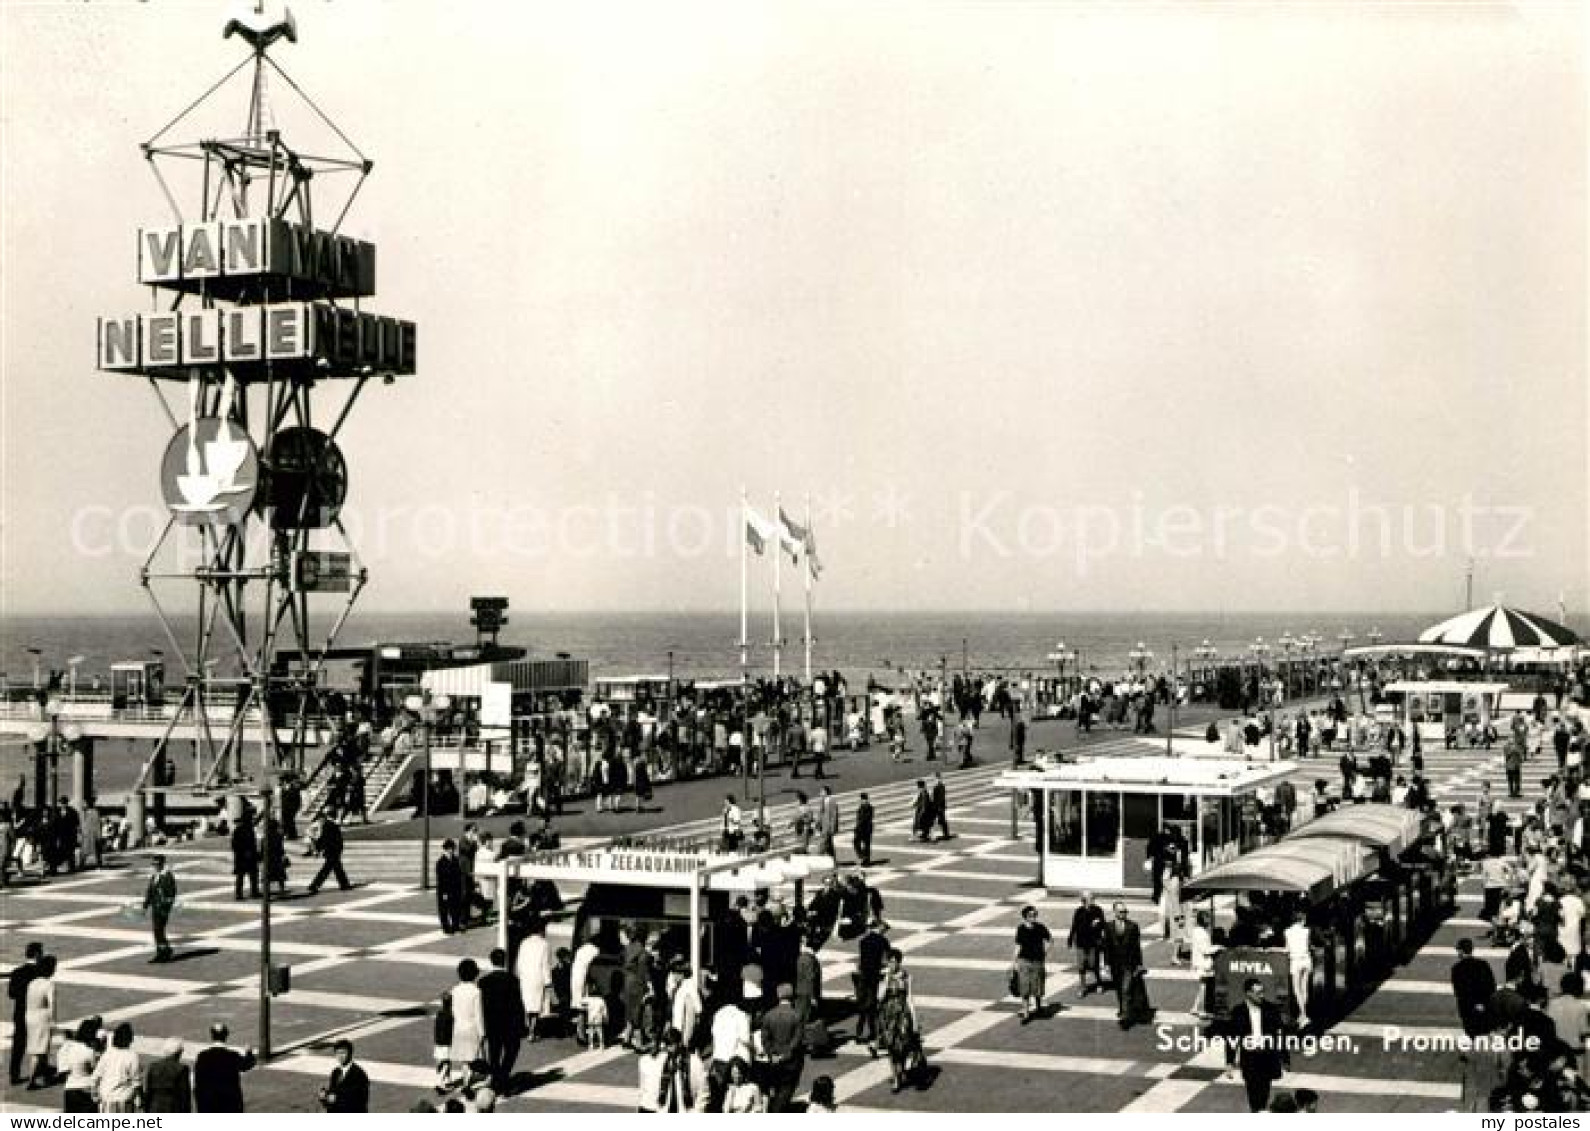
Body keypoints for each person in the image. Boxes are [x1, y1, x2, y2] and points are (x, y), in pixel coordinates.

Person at [1230, 978, 1287, 1113]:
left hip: (1266, 1057)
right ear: (1248, 993)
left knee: (1264, 1093)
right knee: (1253, 1095)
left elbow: (1280, 1035)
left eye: (1262, 992)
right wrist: (1229, 1062)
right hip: (1249, 1058)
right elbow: (1232, 1038)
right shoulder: (1238, 1011)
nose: (1262, 995)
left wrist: (1284, 1058)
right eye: (1258, 993)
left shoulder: (1271, 1009)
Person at [479, 947, 527, 1092]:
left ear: (491, 961)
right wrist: (521, 1024)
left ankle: (496, 1078)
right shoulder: (513, 980)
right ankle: (503, 1076)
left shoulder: (483, 982)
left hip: (492, 1024)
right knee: (511, 1051)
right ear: (504, 961)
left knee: (494, 1053)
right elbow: (518, 1004)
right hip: (510, 1024)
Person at [876, 949, 923, 1093]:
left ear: (899, 961)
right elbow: (880, 997)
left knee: (902, 1047)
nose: (890, 964)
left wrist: (914, 1019)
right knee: (891, 1048)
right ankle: (896, 1077)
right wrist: (887, 979)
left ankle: (902, 1070)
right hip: (888, 1016)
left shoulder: (907, 977)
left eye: (893, 961)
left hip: (903, 1015)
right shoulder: (884, 976)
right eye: (888, 961)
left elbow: (909, 997)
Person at [761, 983, 806, 1111]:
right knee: (787, 1088)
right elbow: (797, 1040)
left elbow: (765, 1039)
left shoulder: (769, 1015)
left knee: (776, 1087)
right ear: (791, 997)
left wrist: (771, 1054)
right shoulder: (797, 1015)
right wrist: (785, 1055)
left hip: (774, 1060)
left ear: (778, 996)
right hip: (791, 1061)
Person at [193, 1023, 255, 1112]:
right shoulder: (232, 1056)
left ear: (212, 1035)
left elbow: (198, 1081)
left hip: (209, 1103)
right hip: (229, 1102)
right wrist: (249, 1053)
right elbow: (247, 1065)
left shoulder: (202, 1056)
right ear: (226, 1035)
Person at [1104, 903, 1147, 1028]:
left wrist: (1139, 964)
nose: (1124, 914)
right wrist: (1106, 964)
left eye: (1125, 911)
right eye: (1121, 911)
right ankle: (1123, 1008)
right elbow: (1106, 946)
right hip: (1114, 964)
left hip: (1129, 963)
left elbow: (1137, 947)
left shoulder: (1133, 926)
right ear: (1115, 912)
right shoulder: (1108, 926)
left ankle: (1125, 1016)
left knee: (1126, 989)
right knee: (1118, 988)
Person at [9, 941, 43, 1085]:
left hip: (20, 1013)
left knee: (18, 1044)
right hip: (35, 1013)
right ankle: (37, 1072)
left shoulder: (17, 972)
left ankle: (14, 1074)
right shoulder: (39, 973)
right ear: (36, 954)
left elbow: (11, 994)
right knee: (39, 1043)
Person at [709, 998, 753, 1110]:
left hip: (718, 1057)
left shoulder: (718, 1013)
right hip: (733, 1060)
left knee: (720, 1093)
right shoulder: (741, 1015)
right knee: (733, 1094)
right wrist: (754, 1048)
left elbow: (713, 1034)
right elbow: (745, 1038)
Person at [515, 919, 554, 1043]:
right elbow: (545, 964)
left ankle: (529, 1028)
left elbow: (519, 961)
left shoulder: (524, 942)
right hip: (538, 977)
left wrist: (520, 974)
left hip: (525, 976)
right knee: (537, 1005)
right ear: (541, 930)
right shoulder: (544, 944)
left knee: (528, 1004)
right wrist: (548, 981)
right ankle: (532, 1031)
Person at [1451, 939, 1498, 1038]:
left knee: (1471, 1034)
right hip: (1485, 1006)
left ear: (1461, 951)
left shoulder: (1457, 969)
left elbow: (1459, 992)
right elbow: (1492, 985)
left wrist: (1473, 1004)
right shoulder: (1483, 964)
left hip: (1468, 1008)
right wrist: (1483, 1003)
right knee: (1487, 1033)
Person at [23, 954, 57, 1089]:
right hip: (42, 1017)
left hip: (30, 1015)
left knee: (37, 1048)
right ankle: (32, 1080)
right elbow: (52, 1003)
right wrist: (53, 1020)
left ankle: (44, 1076)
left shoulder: (32, 982)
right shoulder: (49, 984)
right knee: (40, 1050)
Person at [1013, 904, 1052, 1022]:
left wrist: (1044, 953)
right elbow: (1018, 945)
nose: (1034, 917)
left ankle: (1039, 1007)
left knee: (1037, 986)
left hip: (1037, 961)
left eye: (1035, 914)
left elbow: (1050, 940)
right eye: (1031, 915)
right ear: (1025, 917)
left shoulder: (1040, 927)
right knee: (1024, 987)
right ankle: (1026, 1012)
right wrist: (1014, 961)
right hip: (1024, 960)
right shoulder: (1021, 928)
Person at [93, 1023, 143, 1113]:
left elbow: (96, 1077)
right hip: (124, 1099)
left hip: (106, 1098)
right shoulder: (132, 1056)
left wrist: (95, 1094)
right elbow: (136, 1081)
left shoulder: (107, 1054)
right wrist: (141, 1097)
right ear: (130, 1039)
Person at [448, 959, 487, 1070]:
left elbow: (453, 1010)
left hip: (459, 1027)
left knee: (464, 1060)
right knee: (471, 1058)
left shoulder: (455, 990)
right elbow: (478, 1014)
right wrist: (482, 1032)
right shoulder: (476, 991)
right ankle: (467, 1084)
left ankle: (466, 1082)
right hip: (472, 1028)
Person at [58, 1018, 102, 1113]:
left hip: (70, 1089)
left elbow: (63, 1070)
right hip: (86, 1088)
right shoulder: (90, 1051)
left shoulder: (67, 1048)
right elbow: (96, 1070)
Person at [1068, 893, 1106, 997]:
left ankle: (1099, 983)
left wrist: (1098, 924)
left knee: (1094, 964)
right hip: (1081, 942)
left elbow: (1103, 924)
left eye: (1093, 898)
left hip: (1093, 942)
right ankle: (1083, 987)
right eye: (1091, 898)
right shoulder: (1079, 911)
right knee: (1081, 966)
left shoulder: (1098, 910)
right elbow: (1074, 925)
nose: (1093, 900)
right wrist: (1070, 939)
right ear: (1084, 900)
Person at [318, 1039, 369, 1112]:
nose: (340, 1056)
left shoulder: (359, 1074)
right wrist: (324, 1097)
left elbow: (359, 1101)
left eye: (343, 1053)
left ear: (350, 1054)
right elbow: (331, 1099)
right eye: (337, 1053)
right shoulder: (335, 1072)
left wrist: (336, 1098)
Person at [144, 1037, 192, 1112]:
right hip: (173, 1107)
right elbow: (184, 1096)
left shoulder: (153, 1066)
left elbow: (148, 1091)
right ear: (179, 1052)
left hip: (155, 1106)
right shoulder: (182, 1069)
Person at [144, 855, 178, 962]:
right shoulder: (155, 875)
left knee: (158, 929)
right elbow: (150, 890)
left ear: (162, 864)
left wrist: (166, 906)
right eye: (153, 864)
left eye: (157, 864)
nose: (155, 866)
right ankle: (163, 951)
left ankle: (164, 951)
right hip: (155, 906)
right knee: (157, 930)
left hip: (162, 908)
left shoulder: (167, 876)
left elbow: (171, 893)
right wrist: (146, 904)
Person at [435, 839, 466, 934]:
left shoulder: (455, 860)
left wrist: (460, 888)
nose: (451, 851)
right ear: (445, 850)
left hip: (455, 889)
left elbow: (459, 875)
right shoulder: (440, 862)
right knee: (444, 909)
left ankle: (455, 925)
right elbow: (441, 879)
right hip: (445, 890)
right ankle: (446, 927)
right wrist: (444, 893)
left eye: (452, 849)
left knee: (455, 908)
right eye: (449, 849)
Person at [230, 808, 260, 900]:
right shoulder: (246, 829)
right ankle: (252, 892)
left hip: (241, 856)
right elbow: (236, 844)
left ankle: (240, 894)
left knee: (242, 876)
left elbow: (234, 845)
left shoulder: (239, 829)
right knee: (251, 875)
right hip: (245, 855)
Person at [853, 793, 874, 866]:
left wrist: (858, 827)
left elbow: (865, 819)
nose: (861, 801)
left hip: (865, 828)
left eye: (862, 799)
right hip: (861, 828)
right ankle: (863, 857)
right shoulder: (862, 807)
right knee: (857, 843)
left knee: (866, 845)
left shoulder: (869, 807)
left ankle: (865, 860)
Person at [931, 774, 951, 841]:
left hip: (937, 806)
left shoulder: (937, 786)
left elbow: (936, 798)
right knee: (942, 821)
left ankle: (932, 835)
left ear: (937, 778)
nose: (933, 780)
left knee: (934, 821)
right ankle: (946, 834)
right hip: (940, 806)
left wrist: (935, 806)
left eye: (934, 778)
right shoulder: (942, 786)